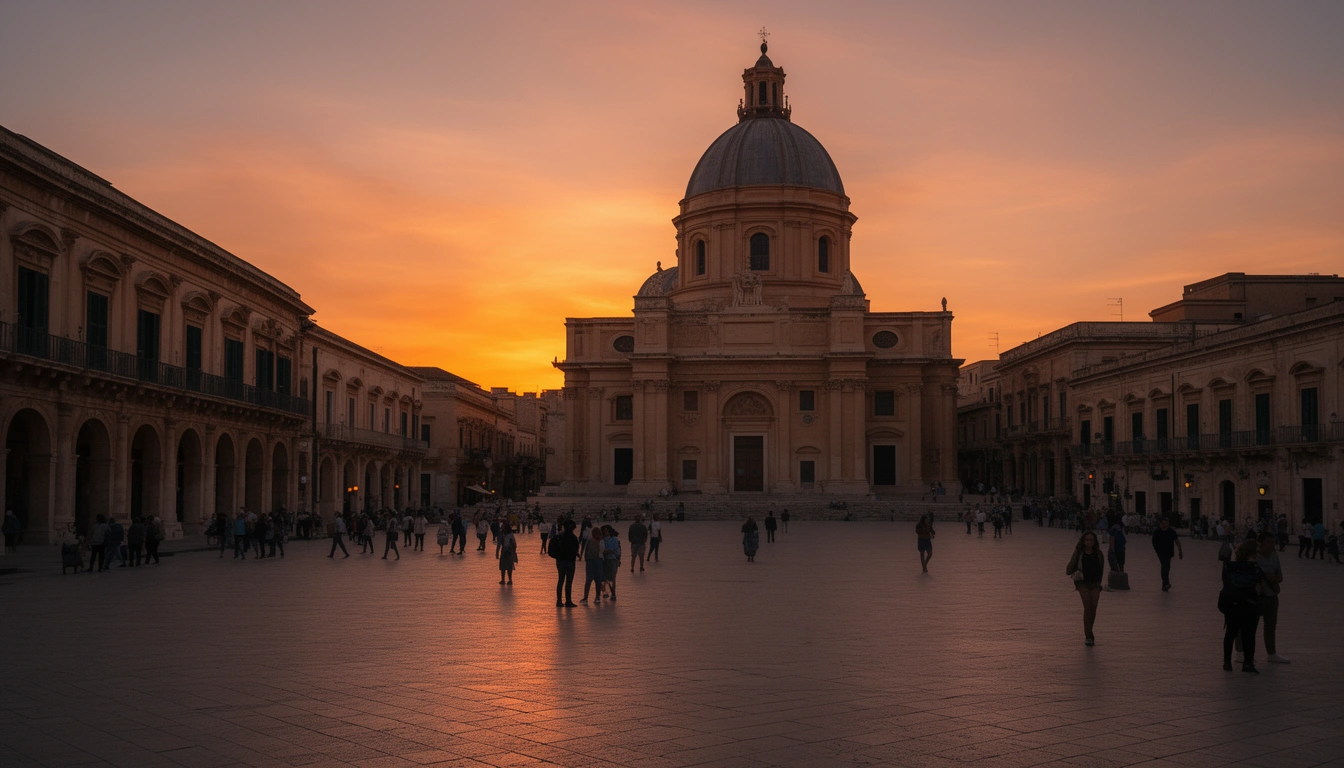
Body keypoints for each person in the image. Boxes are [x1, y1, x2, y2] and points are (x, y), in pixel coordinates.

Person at [1220, 539, 1264, 673]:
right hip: (1249, 604)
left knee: (1230, 633)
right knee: (1248, 634)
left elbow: (1225, 583)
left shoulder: (1228, 566)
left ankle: (1227, 663)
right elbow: (1259, 587)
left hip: (1232, 604)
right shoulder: (1255, 568)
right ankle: (1248, 663)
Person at [1248, 532, 1289, 664]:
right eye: (1269, 542)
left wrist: (1272, 578)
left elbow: (1280, 576)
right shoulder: (1253, 556)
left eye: (1273, 542)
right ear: (1261, 543)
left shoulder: (1274, 556)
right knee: (1248, 625)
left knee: (1271, 625)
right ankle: (1241, 652)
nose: (1272, 545)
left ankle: (1272, 653)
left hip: (1271, 595)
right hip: (1255, 596)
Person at [1066, 531, 1105, 646]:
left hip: (1095, 584)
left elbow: (1101, 569)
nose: (1089, 542)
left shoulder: (1099, 553)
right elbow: (1070, 567)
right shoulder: (1079, 552)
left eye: (1091, 540)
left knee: (1093, 609)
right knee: (1087, 608)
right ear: (1083, 541)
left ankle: (1090, 631)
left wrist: (1099, 584)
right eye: (1087, 540)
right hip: (1082, 583)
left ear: (1094, 541)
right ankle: (1088, 636)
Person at [550, 519, 579, 607]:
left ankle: (559, 601)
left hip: (560, 561)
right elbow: (575, 549)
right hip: (570, 561)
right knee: (569, 582)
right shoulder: (573, 538)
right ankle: (568, 601)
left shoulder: (558, 537)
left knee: (561, 580)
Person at [1151, 517, 1183, 591]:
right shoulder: (1157, 532)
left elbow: (1177, 541)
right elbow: (1153, 542)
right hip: (1161, 552)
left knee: (1167, 567)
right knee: (1165, 566)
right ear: (1160, 524)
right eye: (1163, 523)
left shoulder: (1171, 531)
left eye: (1166, 523)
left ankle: (1164, 584)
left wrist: (1180, 551)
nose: (1164, 525)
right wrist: (1157, 550)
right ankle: (1166, 583)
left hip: (1169, 552)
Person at [581, 526, 605, 603]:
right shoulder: (591, 541)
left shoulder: (600, 541)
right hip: (594, 561)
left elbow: (587, 551)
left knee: (593, 580)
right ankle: (594, 597)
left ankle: (588, 597)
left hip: (593, 561)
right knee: (593, 579)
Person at [602, 525, 621, 600]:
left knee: (612, 577)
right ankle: (605, 592)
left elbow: (612, 549)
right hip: (604, 560)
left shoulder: (614, 539)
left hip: (612, 560)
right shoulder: (602, 539)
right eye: (604, 530)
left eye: (607, 530)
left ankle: (613, 593)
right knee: (604, 577)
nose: (605, 532)